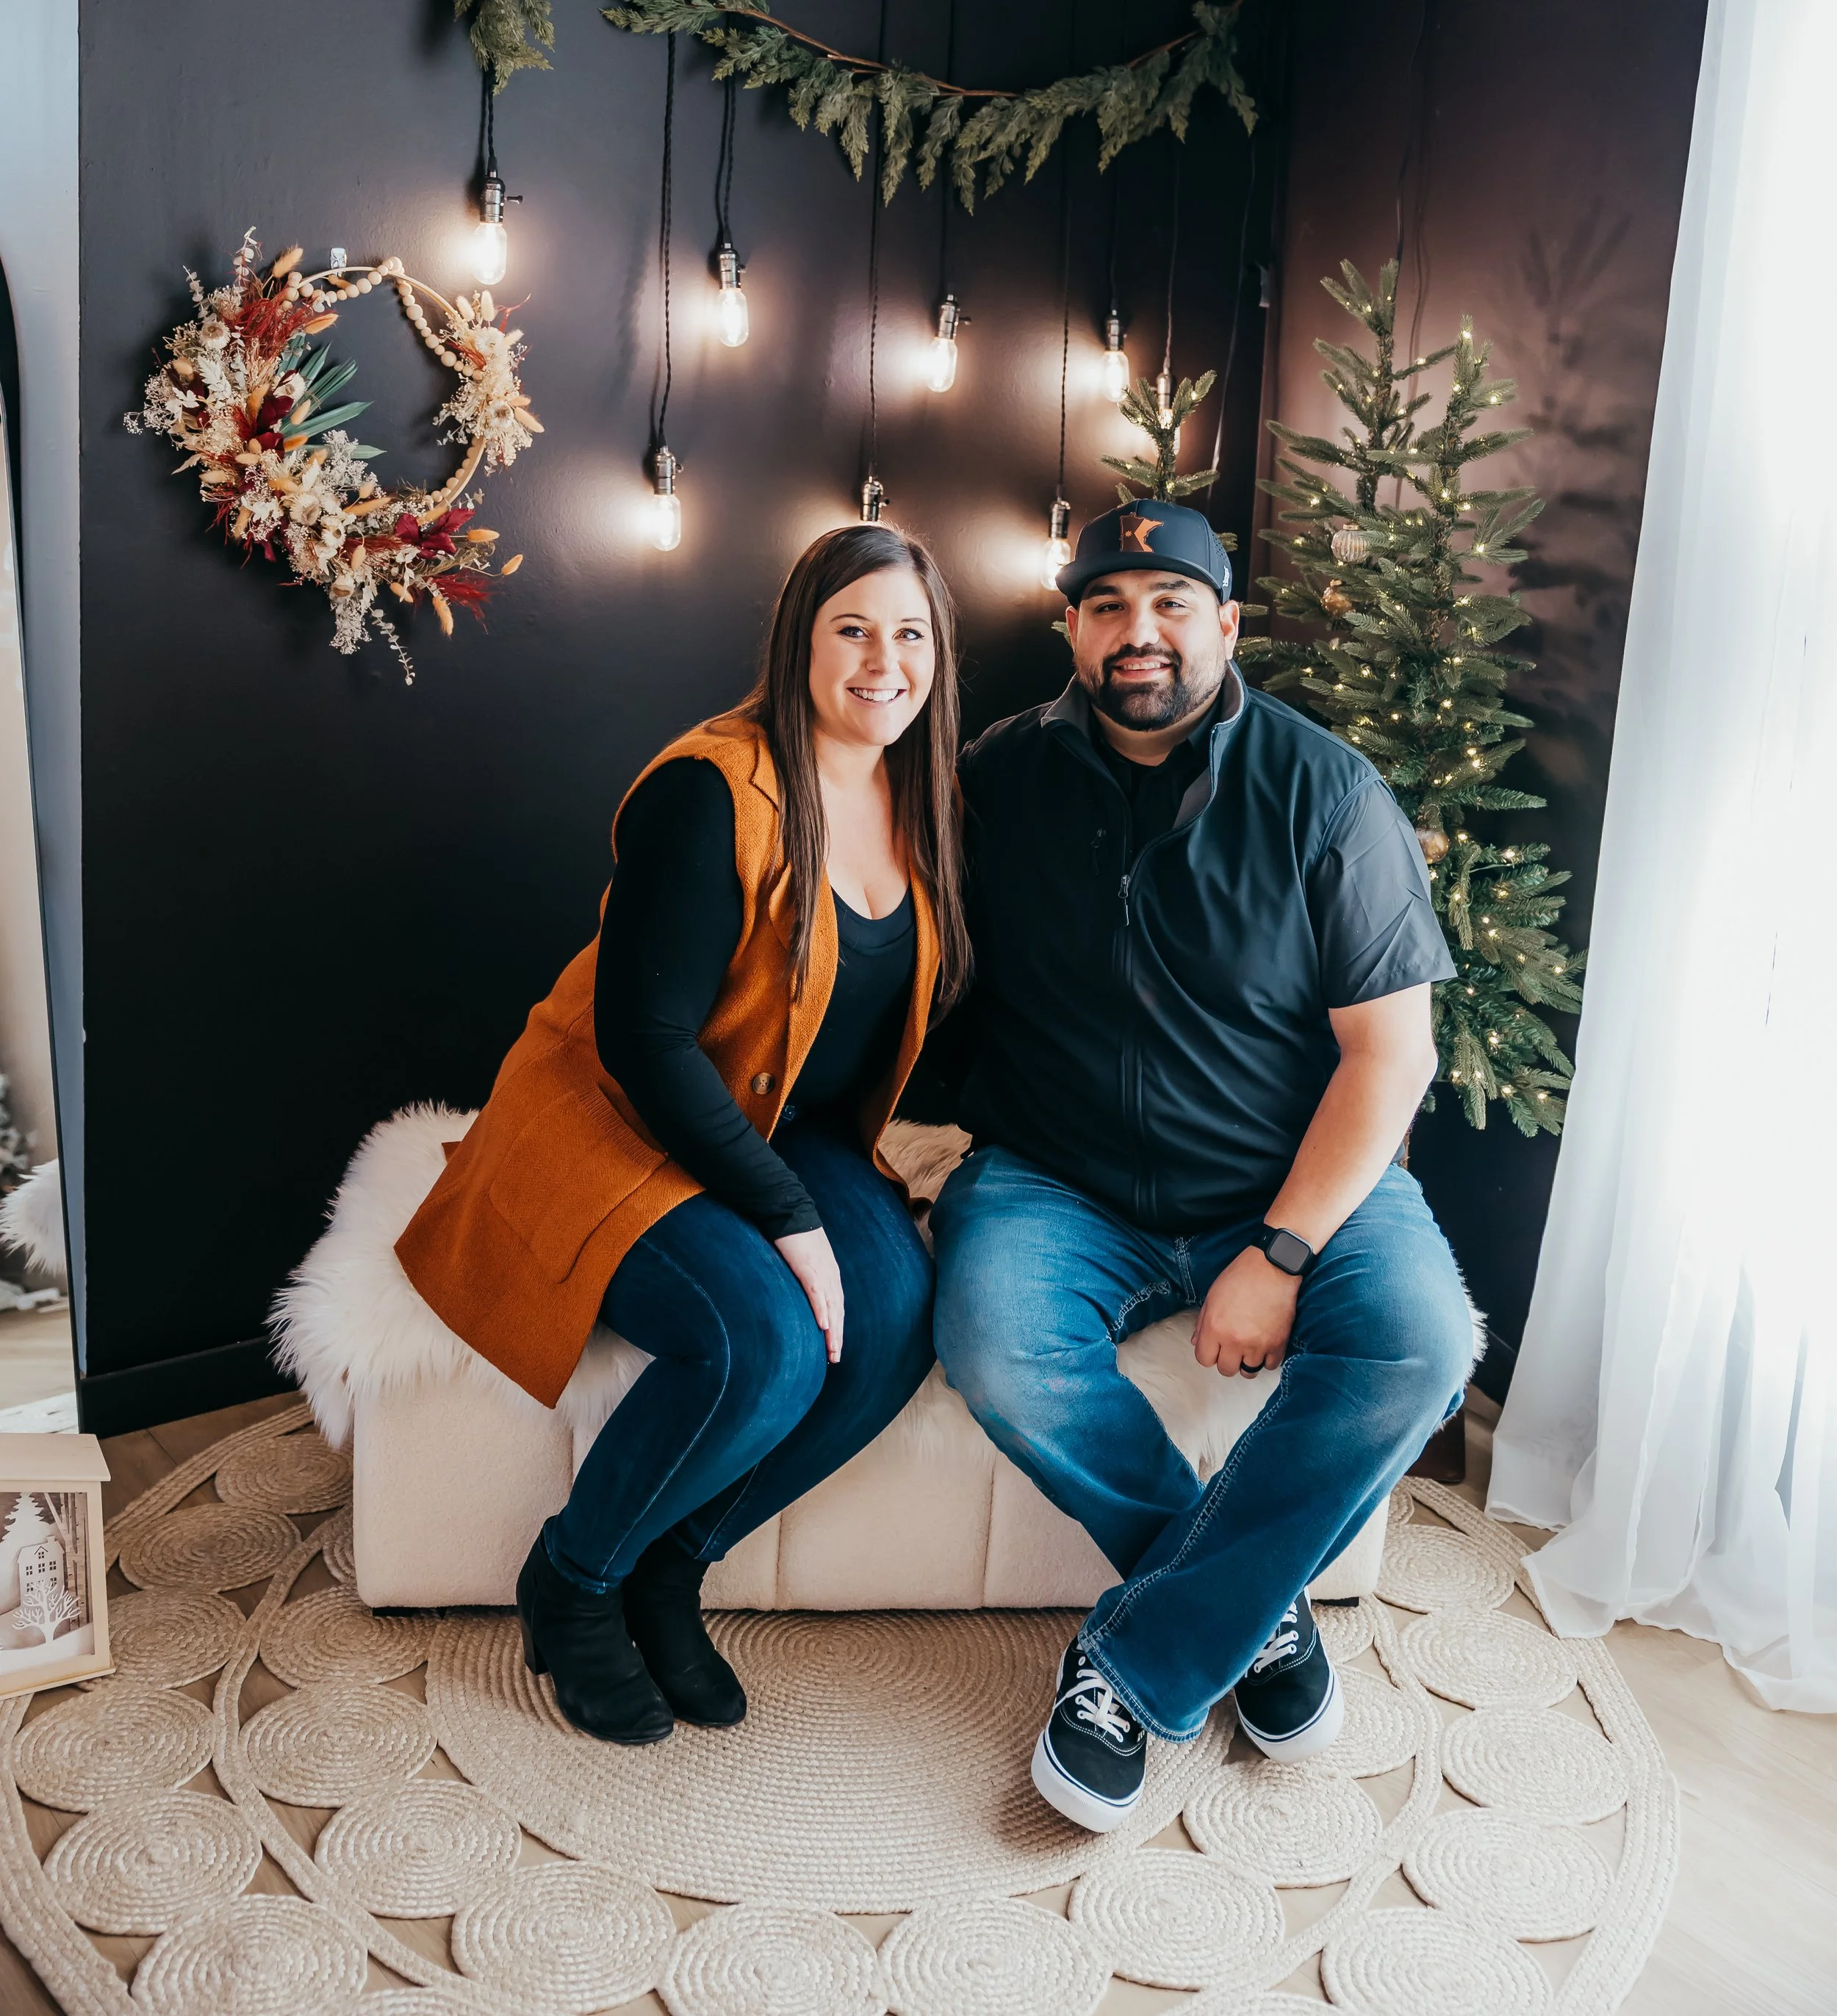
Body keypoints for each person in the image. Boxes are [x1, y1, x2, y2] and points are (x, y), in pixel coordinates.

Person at [927, 497, 1474, 1832]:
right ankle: (1255, 1613)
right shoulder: (994, 779)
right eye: (1108, 605)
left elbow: (1389, 1060)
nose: (1139, 632)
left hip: (1287, 1183)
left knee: (1425, 1343)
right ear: (1070, 627)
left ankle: (1144, 1661)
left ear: (1225, 623)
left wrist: (1279, 1254)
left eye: (1172, 602)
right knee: (996, 1341)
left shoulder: (1327, 791)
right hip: (1060, 1180)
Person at [398, 524, 970, 1744]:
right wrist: (793, 1221)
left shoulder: (916, 796)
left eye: (911, 635)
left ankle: (672, 1562)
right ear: (799, 640)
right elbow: (645, 1041)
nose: (885, 662)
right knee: (762, 1341)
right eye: (853, 631)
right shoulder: (713, 787)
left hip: (771, 1116)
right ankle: (576, 1576)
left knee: (897, 1322)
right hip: (613, 1113)